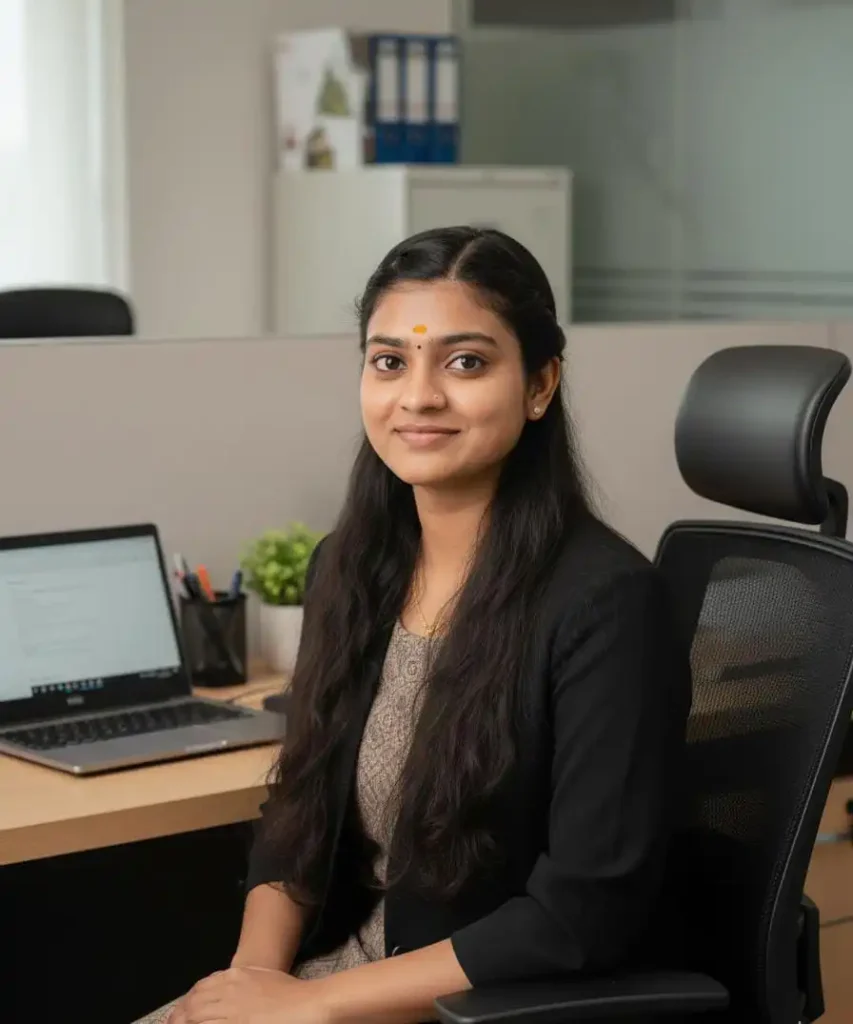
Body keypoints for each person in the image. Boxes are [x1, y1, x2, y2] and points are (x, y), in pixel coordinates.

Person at [139, 226, 690, 1024]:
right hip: (330, 982)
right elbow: (302, 804)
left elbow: (579, 913)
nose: (419, 396)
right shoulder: (352, 565)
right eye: (389, 361)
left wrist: (312, 1006)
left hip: (476, 1008)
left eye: (465, 362)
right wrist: (254, 984)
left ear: (539, 385)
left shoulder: (604, 603)